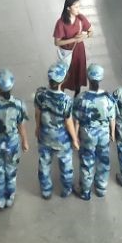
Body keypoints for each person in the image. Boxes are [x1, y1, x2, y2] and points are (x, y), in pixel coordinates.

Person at [0, 69, 29, 210]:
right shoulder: (19, 104)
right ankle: (10, 197)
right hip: (12, 144)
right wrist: (25, 141)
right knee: (11, 169)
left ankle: (0, 199)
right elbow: (21, 125)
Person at [34, 62, 79, 199]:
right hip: (62, 139)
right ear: (63, 80)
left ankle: (46, 191)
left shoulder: (40, 95)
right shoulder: (66, 100)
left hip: (45, 135)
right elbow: (68, 122)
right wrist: (75, 139)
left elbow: (37, 114)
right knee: (66, 164)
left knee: (44, 163)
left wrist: (37, 128)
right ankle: (66, 189)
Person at [72, 64, 116, 200]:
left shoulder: (81, 98)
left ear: (88, 78)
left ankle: (85, 191)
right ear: (101, 78)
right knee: (103, 160)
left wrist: (75, 137)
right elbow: (112, 118)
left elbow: (76, 120)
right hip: (104, 134)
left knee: (87, 161)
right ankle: (101, 188)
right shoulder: (107, 98)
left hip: (87, 134)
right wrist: (112, 133)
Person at [53, 0, 92, 95]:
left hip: (79, 51)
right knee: (65, 73)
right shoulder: (61, 23)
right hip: (67, 52)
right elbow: (57, 42)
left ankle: (77, 94)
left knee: (78, 71)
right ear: (68, 8)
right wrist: (74, 39)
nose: (78, 9)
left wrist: (85, 36)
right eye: (76, 7)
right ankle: (61, 94)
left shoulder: (81, 18)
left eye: (79, 7)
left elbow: (91, 31)